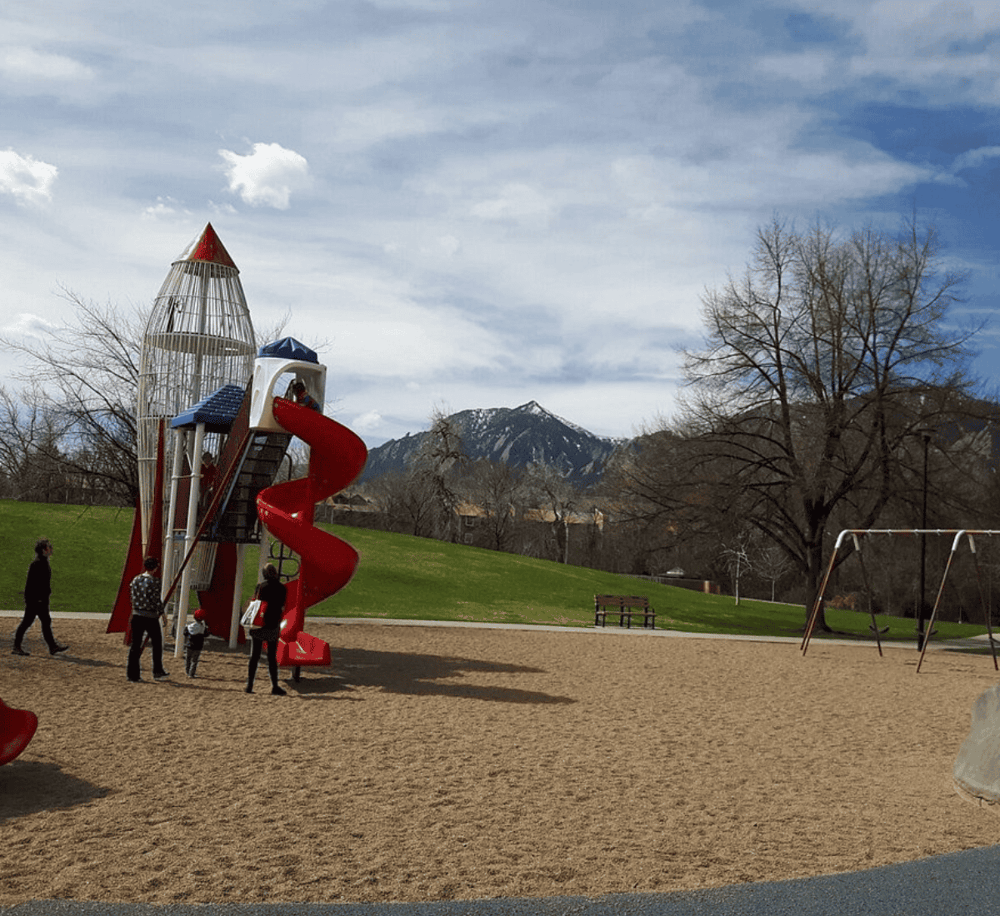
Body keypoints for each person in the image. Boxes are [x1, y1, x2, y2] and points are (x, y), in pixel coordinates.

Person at [12, 538, 68, 657]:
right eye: (49, 547)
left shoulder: (42, 562)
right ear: (44, 550)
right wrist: (37, 599)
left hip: (40, 600)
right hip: (36, 601)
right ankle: (17, 647)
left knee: (45, 621)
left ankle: (52, 647)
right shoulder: (38, 564)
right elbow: (32, 584)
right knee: (28, 622)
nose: (51, 549)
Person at [245, 563, 287, 696]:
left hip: (259, 623)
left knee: (255, 656)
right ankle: (274, 685)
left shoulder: (261, 587)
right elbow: (282, 604)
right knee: (271, 657)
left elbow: (256, 603)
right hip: (273, 623)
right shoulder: (282, 588)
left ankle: (250, 685)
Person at [127, 557, 169, 683]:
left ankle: (132, 674)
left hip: (137, 614)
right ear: (155, 568)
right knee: (157, 644)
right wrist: (162, 613)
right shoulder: (155, 582)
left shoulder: (136, 579)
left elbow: (132, 595)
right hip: (150, 616)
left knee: (135, 645)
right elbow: (156, 600)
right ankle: (157, 671)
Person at [183, 607, 211, 678]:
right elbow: (207, 634)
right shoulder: (203, 628)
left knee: (188, 659)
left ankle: (187, 671)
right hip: (198, 646)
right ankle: (191, 674)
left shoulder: (189, 626)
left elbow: (185, 633)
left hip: (189, 645)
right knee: (194, 660)